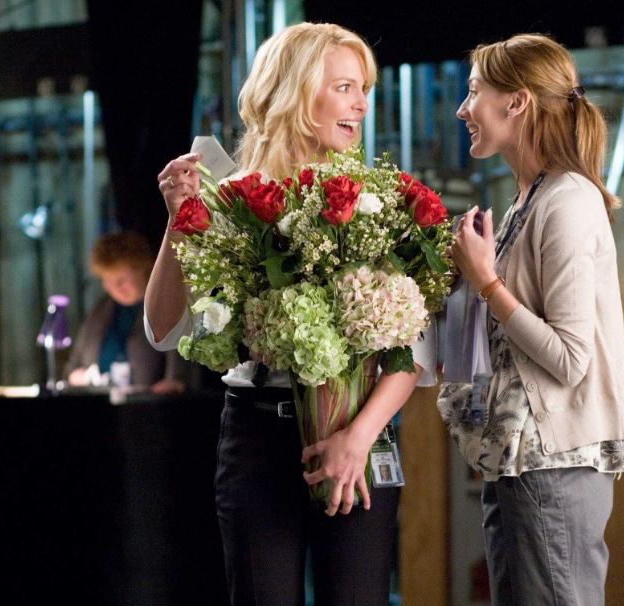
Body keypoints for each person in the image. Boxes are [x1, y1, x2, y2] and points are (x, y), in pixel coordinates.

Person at [144, 23, 436, 606]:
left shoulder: (379, 200)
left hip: (358, 433)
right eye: (345, 87)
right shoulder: (228, 196)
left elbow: (414, 349)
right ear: (294, 92)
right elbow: (163, 330)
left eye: (364, 89)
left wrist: (357, 439)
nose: (361, 104)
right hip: (255, 437)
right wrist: (180, 220)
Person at [439, 34, 624, 605]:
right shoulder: (528, 200)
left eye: (474, 92)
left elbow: (569, 358)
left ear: (517, 101)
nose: (462, 110)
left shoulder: (567, 200)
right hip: (519, 461)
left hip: (553, 464)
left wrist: (487, 282)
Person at [65, 231, 185, 394]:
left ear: (144, 271)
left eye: (121, 281)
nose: (114, 288)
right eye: (107, 281)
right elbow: (72, 368)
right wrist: (79, 376)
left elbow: (179, 374)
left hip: (147, 404)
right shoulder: (100, 311)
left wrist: (172, 384)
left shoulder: (166, 307)